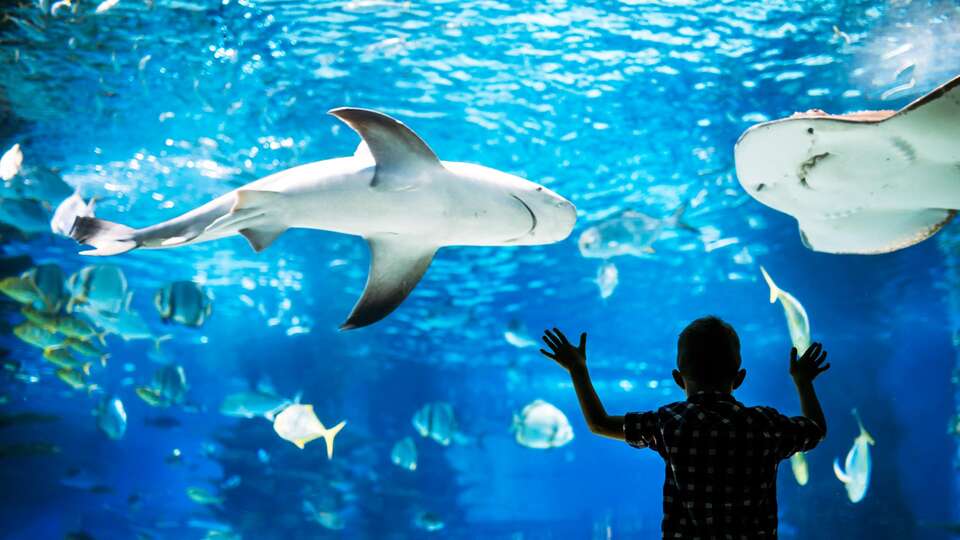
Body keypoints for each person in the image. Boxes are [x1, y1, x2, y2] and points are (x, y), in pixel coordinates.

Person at [540, 316, 829, 539]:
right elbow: (816, 429)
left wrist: (577, 368)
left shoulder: (670, 423)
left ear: (679, 379)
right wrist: (803, 382)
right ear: (740, 378)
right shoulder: (766, 424)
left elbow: (599, 423)